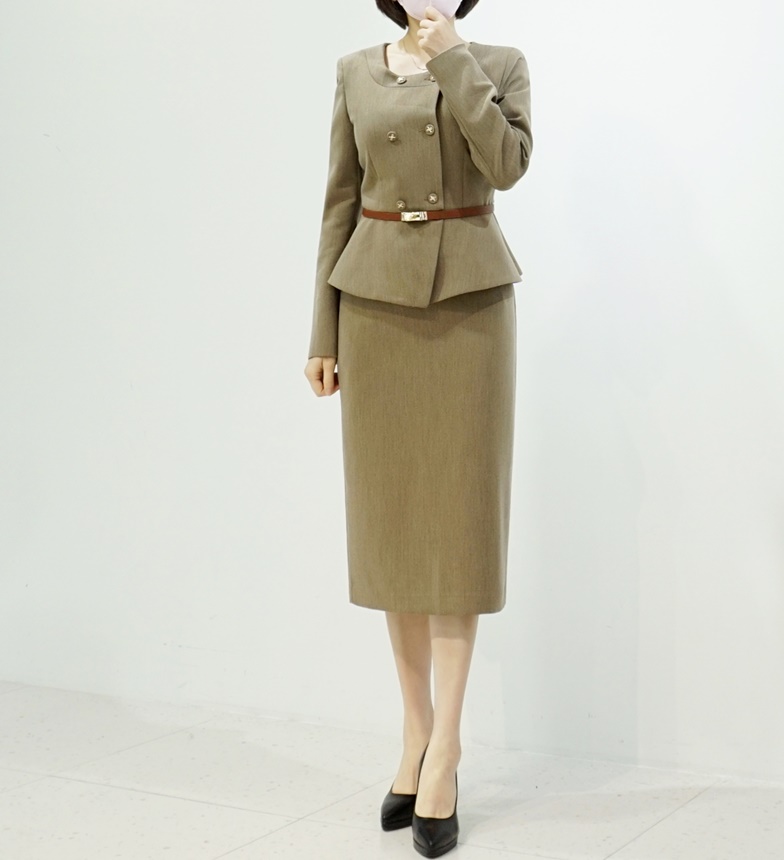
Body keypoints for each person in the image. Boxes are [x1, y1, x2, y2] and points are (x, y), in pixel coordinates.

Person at [303, 1, 531, 855]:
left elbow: (507, 165)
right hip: (374, 308)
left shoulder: (498, 62)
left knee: (458, 532)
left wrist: (453, 58)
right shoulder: (354, 70)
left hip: (469, 307)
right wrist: (322, 334)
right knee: (395, 530)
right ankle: (415, 736)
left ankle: (447, 753)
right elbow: (338, 202)